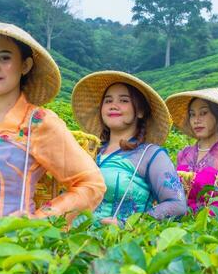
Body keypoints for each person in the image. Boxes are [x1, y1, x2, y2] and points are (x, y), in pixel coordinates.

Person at [0, 22, 106, 221]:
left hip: (6, 246)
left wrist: (38, 222)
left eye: (4, 58)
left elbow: (91, 184)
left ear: (25, 65)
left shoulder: (37, 122)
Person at [71, 71, 187, 225]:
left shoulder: (151, 154)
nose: (113, 106)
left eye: (124, 100)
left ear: (140, 111)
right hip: (75, 241)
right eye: (108, 101)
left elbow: (177, 205)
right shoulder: (91, 151)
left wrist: (128, 224)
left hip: (120, 243)